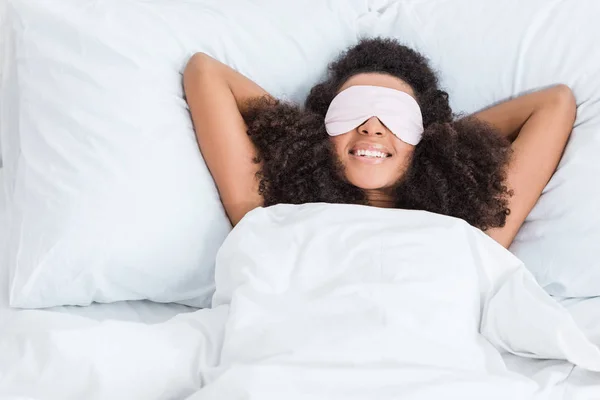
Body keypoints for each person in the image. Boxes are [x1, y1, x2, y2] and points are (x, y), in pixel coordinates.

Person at [183, 38, 575, 249]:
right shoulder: (266, 213)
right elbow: (205, 71)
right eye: (352, 111)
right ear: (321, 133)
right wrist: (304, 133)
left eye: (396, 116)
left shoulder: (475, 235)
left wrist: (437, 143)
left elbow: (554, 103)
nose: (372, 126)